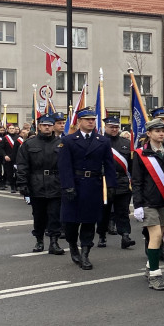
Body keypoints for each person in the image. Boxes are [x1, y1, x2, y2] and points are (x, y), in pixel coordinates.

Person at [58, 108, 118, 269]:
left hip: (93, 185)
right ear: (79, 122)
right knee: (71, 224)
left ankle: (85, 253)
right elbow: (64, 166)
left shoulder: (102, 141)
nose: (91, 122)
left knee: (89, 222)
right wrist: (68, 186)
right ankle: (72, 246)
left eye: (93, 119)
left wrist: (111, 184)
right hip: (74, 185)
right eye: (87, 119)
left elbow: (109, 165)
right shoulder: (69, 140)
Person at [131, 118, 164, 291]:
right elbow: (137, 181)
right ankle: (155, 275)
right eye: (157, 131)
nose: (161, 133)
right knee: (156, 236)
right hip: (148, 202)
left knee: (162, 237)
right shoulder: (140, 154)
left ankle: (149, 266)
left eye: (163, 131)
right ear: (149, 133)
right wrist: (137, 205)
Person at [16, 114, 66, 255]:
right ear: (39, 126)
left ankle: (54, 242)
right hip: (36, 184)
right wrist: (22, 184)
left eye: (50, 125)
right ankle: (39, 240)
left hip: (56, 183)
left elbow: (66, 166)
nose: (47, 127)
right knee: (39, 215)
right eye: (44, 125)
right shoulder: (29, 144)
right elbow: (22, 165)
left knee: (54, 215)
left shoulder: (60, 144)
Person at [98, 116, 136, 249]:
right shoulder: (99, 142)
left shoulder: (125, 143)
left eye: (116, 127)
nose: (114, 129)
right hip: (105, 182)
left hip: (122, 182)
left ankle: (125, 235)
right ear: (105, 127)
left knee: (123, 211)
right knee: (104, 211)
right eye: (111, 127)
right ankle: (102, 235)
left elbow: (131, 165)